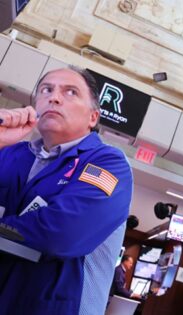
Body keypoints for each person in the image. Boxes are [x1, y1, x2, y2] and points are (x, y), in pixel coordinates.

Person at [0, 66, 133, 315]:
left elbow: (62, 234)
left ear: (93, 117)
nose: (54, 97)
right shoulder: (10, 153)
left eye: (70, 92)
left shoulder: (108, 163)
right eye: (46, 90)